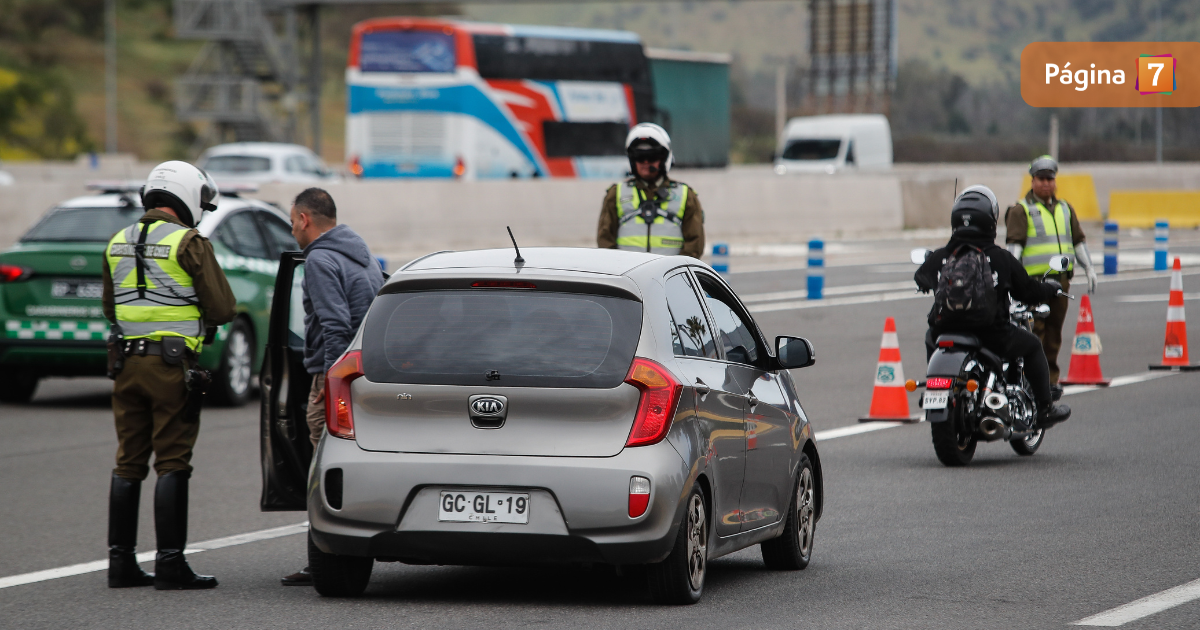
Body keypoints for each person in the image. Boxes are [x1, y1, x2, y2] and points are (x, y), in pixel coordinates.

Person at [103, 161, 236, 590]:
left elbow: (111, 308)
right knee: (173, 460)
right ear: (185, 195)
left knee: (129, 461)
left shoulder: (117, 241)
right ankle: (170, 563)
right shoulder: (188, 241)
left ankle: (120, 563)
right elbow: (223, 308)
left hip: (126, 365)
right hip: (171, 366)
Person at [280, 188, 384, 586]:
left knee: (323, 467)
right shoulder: (361, 253)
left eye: (292, 221)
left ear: (305, 219)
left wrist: (330, 381)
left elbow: (335, 324)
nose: (292, 229)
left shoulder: (321, 259)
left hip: (335, 374)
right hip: (365, 370)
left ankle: (324, 556)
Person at [915, 185, 1071, 429]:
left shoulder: (942, 256)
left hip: (943, 331)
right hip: (990, 333)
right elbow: (1028, 291)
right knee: (1032, 346)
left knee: (929, 336)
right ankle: (1044, 409)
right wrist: (1050, 289)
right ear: (990, 220)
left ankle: (938, 384)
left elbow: (921, 277)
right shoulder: (999, 258)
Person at [1004, 155, 1098, 390]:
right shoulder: (1021, 210)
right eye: (1041, 178)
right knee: (1035, 333)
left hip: (1061, 283)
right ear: (1033, 180)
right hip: (1033, 284)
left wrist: (1089, 268)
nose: (1046, 183)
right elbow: (1014, 247)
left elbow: (1078, 241)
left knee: (1054, 334)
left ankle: (1050, 381)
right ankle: (1033, 381)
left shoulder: (1065, 209)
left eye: (1050, 178)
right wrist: (1010, 279)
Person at [597, 123, 705, 258]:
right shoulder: (615, 194)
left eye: (652, 156)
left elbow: (694, 245)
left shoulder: (685, 195)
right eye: (640, 157)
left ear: (664, 158)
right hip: (627, 277)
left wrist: (672, 272)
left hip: (669, 277)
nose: (646, 162)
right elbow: (605, 241)